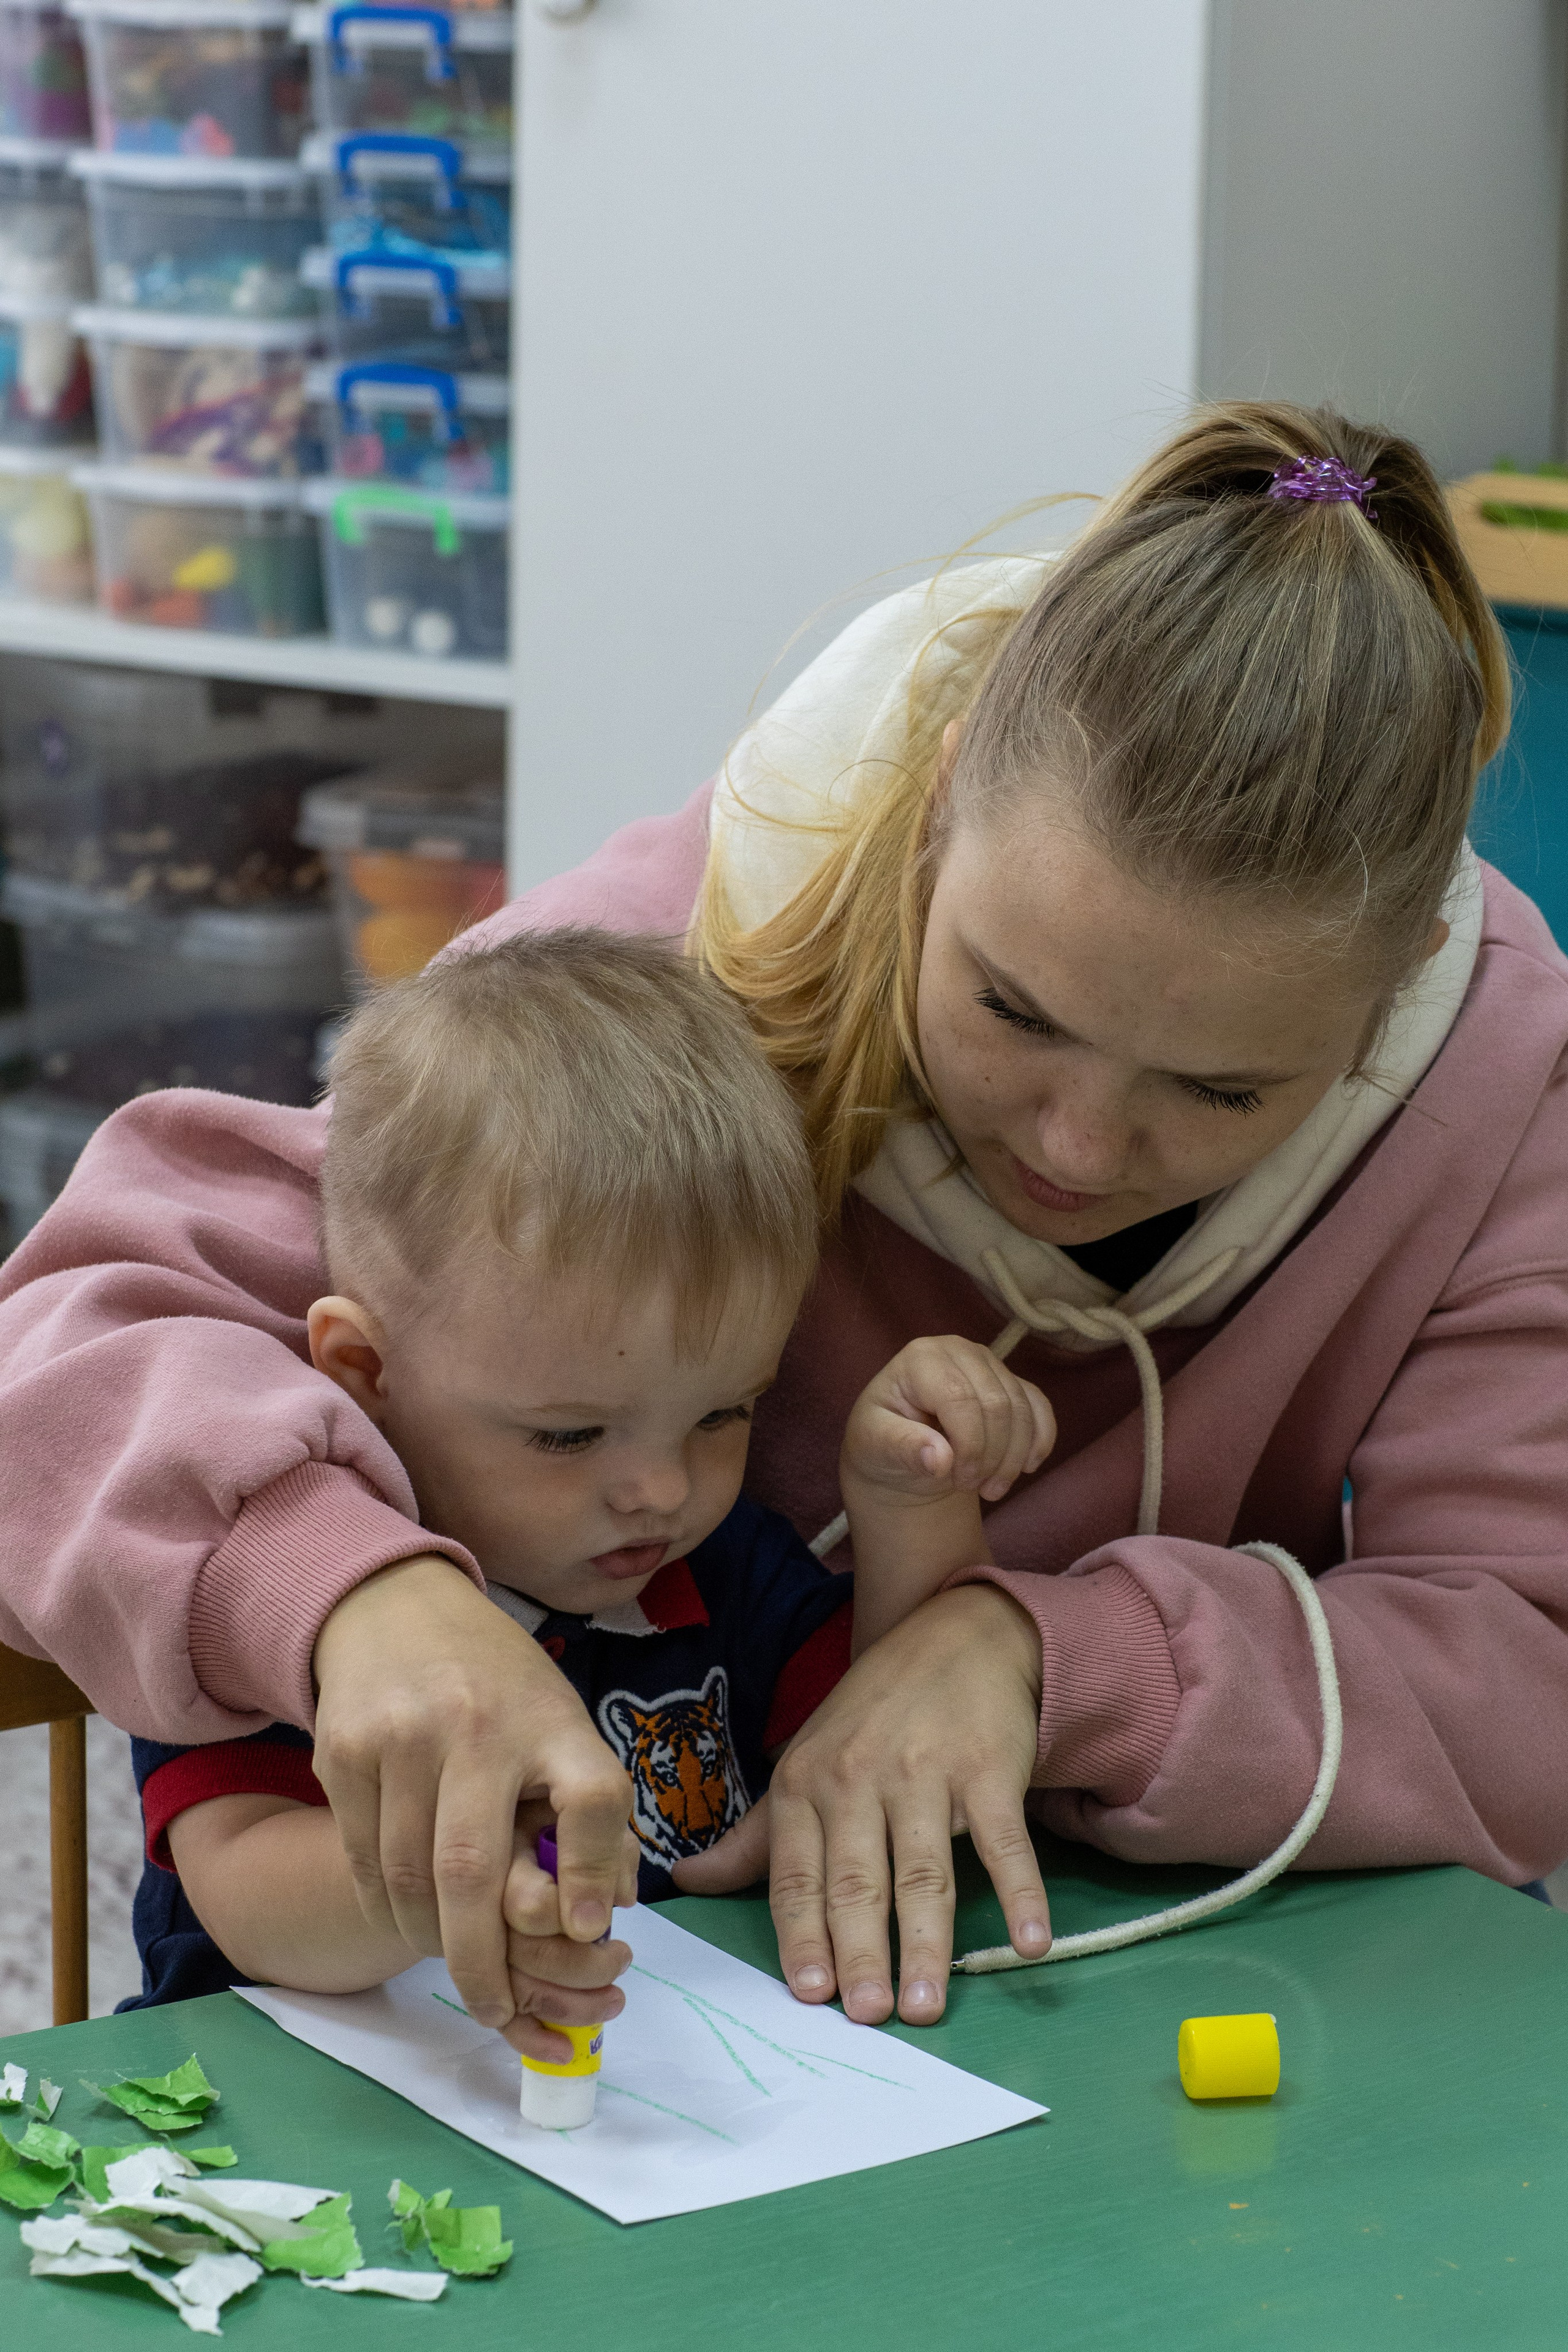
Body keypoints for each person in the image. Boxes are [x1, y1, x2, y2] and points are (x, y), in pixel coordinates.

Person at [2, 401, 1564, 2039]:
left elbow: (1529, 1677)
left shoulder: (1505, 1083)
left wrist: (1052, 1662)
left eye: (1226, 1093)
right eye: (1012, 1011)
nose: (1081, 1145)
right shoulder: (683, 964)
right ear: (945, 800)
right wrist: (355, 1596)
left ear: (1390, 1007)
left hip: (1129, 2009)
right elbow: (71, 1342)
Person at [122, 927, 1052, 2031]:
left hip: (658, 2115)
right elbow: (242, 1889)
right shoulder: (299, 1606)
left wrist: (914, 1508)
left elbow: (865, 1760)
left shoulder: (721, 1567)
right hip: (303, 2116)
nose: (660, 1490)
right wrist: (462, 1883)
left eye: (723, 1413)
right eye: (569, 1437)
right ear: (365, 1374)